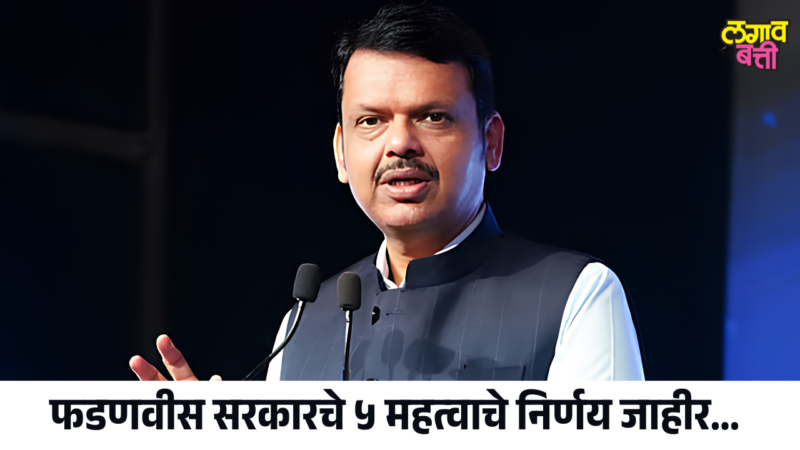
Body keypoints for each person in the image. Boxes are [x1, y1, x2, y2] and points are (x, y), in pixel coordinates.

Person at [129, 2, 644, 382]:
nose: (400, 143)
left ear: (491, 142)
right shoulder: (304, 322)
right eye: (371, 121)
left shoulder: (575, 295)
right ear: (341, 153)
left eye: (433, 117)